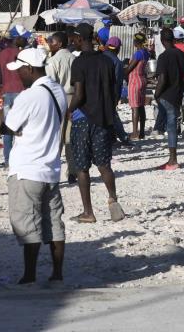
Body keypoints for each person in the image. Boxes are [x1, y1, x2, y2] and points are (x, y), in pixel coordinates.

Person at [1, 48, 68, 285]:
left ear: (29, 69)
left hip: (28, 169)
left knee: (27, 223)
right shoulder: (57, 90)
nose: (18, 75)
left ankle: (29, 275)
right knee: (54, 223)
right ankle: (57, 273)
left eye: (20, 70)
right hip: (51, 168)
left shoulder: (28, 96)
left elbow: (8, 126)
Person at [69, 23, 125, 223]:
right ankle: (113, 200)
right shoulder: (107, 61)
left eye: (73, 38)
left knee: (82, 168)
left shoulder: (78, 63)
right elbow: (113, 90)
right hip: (103, 117)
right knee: (104, 164)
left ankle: (88, 212)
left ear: (79, 38)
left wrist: (67, 110)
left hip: (83, 118)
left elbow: (79, 94)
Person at [0, 36, 27, 165]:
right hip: (21, 93)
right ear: (17, 40)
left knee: (8, 127)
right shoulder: (22, 53)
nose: (25, 42)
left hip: (7, 93)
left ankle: (8, 159)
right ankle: (22, 158)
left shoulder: (1, 54)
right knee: (22, 127)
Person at [153, 29, 184, 170]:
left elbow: (162, 79)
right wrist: (180, 89)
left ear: (162, 41)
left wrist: (157, 94)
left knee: (170, 125)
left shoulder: (163, 57)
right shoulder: (182, 54)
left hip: (166, 96)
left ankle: (172, 160)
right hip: (177, 95)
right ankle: (172, 159)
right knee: (172, 126)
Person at [45, 32, 76, 182]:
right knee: (70, 136)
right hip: (73, 99)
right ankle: (72, 170)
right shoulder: (74, 59)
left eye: (52, 41)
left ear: (60, 44)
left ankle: (53, 170)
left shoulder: (53, 61)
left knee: (57, 137)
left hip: (59, 98)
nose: (49, 44)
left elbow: (50, 84)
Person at [103, 36, 132, 146]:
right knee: (113, 116)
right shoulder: (117, 62)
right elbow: (118, 83)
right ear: (118, 48)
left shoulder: (100, 57)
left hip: (97, 92)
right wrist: (116, 98)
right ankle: (123, 138)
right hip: (110, 94)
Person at [125, 33, 150, 140]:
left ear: (136, 42)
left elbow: (129, 69)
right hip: (143, 80)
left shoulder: (138, 54)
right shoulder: (146, 53)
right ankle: (142, 132)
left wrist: (122, 71)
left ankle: (135, 133)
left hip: (135, 81)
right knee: (141, 107)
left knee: (134, 107)